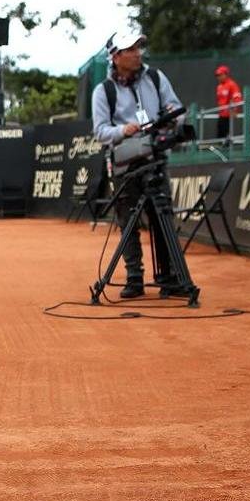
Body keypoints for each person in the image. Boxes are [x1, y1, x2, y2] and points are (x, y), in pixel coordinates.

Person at [91, 27, 185, 299]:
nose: (137, 54)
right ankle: (135, 278)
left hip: (155, 158)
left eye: (138, 48)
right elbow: (100, 132)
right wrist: (124, 130)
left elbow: (176, 108)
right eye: (131, 49)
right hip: (125, 164)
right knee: (128, 220)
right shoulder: (103, 91)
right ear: (116, 56)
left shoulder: (155, 77)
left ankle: (170, 278)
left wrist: (172, 118)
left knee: (162, 217)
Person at [214, 64, 242, 141]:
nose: (218, 77)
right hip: (221, 115)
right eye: (217, 75)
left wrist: (234, 110)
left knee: (227, 137)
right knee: (220, 136)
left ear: (226, 74)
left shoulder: (232, 84)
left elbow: (237, 98)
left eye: (220, 75)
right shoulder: (219, 87)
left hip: (229, 115)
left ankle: (227, 151)